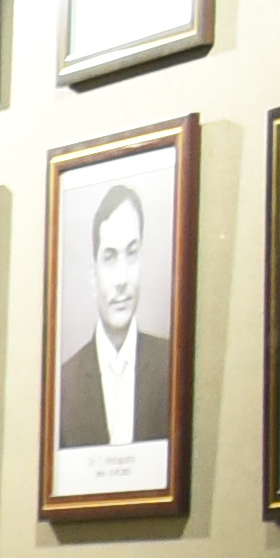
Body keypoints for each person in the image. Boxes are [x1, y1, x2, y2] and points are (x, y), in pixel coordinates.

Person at [56, 172, 173, 466]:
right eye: (109, 257)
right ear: (93, 275)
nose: (122, 279)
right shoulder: (64, 384)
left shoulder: (171, 365)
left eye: (131, 254)